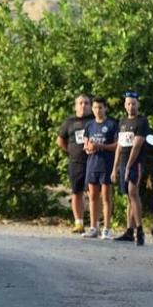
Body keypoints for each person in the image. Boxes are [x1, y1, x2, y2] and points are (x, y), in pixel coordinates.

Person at [111, 91, 150, 245]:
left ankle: (139, 230)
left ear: (138, 104)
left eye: (133, 103)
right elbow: (119, 147)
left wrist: (128, 166)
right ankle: (129, 229)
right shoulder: (122, 122)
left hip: (136, 163)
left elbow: (137, 145)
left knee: (134, 193)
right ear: (124, 105)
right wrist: (115, 168)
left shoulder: (142, 122)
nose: (131, 106)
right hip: (123, 162)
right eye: (128, 103)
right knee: (128, 196)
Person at [82, 96, 118, 239]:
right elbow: (85, 145)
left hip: (106, 165)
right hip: (92, 164)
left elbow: (116, 146)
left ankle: (107, 229)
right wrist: (89, 148)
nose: (98, 110)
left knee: (106, 198)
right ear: (92, 108)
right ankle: (93, 227)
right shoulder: (89, 125)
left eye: (100, 107)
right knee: (92, 197)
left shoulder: (111, 125)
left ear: (105, 108)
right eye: (95, 107)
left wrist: (100, 146)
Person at [56, 94, 92, 233]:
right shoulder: (69, 122)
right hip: (76, 162)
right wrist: (71, 151)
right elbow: (60, 141)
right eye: (81, 103)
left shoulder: (94, 120)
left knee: (94, 193)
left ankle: (95, 223)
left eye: (86, 103)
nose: (83, 105)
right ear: (75, 106)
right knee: (76, 192)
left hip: (92, 161)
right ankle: (79, 223)